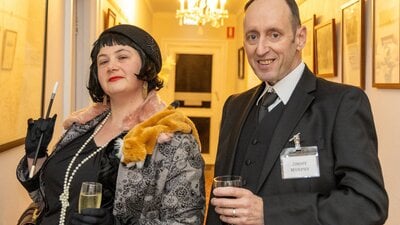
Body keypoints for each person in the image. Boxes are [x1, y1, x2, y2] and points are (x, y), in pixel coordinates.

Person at [205, 0, 388, 224]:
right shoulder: (234, 106)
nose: (261, 49)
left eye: (274, 35)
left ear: (300, 37)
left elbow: (367, 205)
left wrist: (268, 212)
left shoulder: (342, 103)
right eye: (252, 36)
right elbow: (220, 199)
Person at [17, 24, 205, 225]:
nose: (111, 66)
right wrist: (34, 154)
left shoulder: (174, 140)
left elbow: (186, 221)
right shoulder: (81, 126)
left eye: (122, 57)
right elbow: (50, 198)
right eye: (103, 61)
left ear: (147, 66)